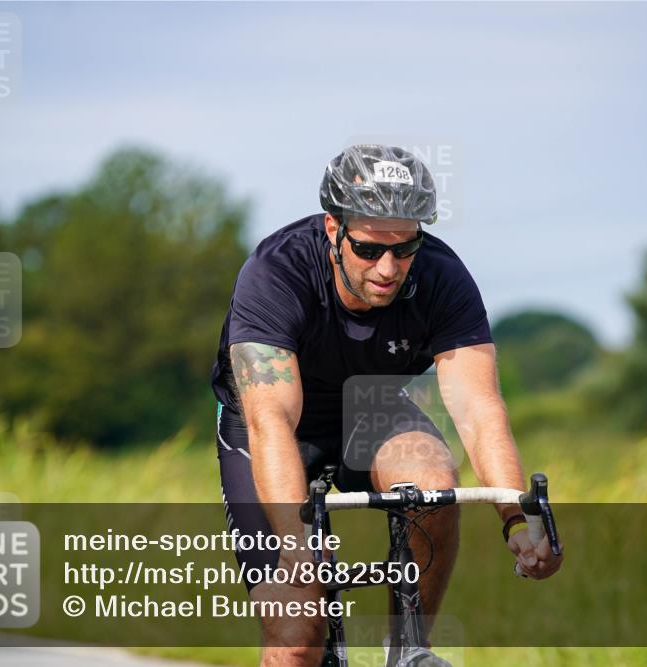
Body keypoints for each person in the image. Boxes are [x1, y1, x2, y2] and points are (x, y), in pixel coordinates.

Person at [210, 144, 563, 666]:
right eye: (370, 249)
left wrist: (517, 517)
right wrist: (296, 545)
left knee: (433, 480)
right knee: (297, 633)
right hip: (270, 424)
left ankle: (408, 649)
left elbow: (479, 411)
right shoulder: (276, 270)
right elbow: (271, 421)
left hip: (369, 406)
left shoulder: (443, 278)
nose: (388, 268)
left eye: (405, 248)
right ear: (334, 229)